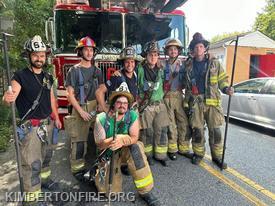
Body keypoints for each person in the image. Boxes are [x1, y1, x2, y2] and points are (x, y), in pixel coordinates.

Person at [3, 35, 62, 206]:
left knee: (46, 158)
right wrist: (7, 98)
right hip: (32, 130)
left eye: (42, 55)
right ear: (29, 55)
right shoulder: (20, 76)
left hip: (48, 125)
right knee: (31, 165)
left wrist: (57, 118)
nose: (39, 58)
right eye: (35, 55)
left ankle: (44, 180)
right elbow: (9, 98)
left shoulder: (48, 77)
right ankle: (32, 199)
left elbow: (51, 100)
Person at [93, 84, 160, 206]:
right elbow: (99, 144)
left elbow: (134, 138)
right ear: (113, 103)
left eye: (125, 103)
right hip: (108, 153)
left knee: (136, 148)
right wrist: (113, 140)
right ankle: (104, 177)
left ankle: (146, 192)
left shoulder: (132, 115)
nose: (122, 105)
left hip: (125, 151)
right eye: (119, 102)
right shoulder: (101, 119)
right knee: (109, 192)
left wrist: (122, 138)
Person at [183, 32, 234, 169]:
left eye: (201, 46)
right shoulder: (188, 65)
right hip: (196, 103)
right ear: (193, 50)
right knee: (197, 131)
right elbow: (184, 84)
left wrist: (226, 89)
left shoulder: (215, 63)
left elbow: (222, 79)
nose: (198, 49)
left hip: (212, 104)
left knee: (216, 131)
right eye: (196, 47)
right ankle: (199, 154)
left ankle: (217, 157)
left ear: (205, 48)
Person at [64, 36, 104, 180]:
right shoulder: (73, 71)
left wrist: (101, 104)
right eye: (86, 50)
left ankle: (102, 163)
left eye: (91, 50)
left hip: (95, 106)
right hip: (80, 106)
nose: (89, 53)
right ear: (80, 52)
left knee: (102, 136)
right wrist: (80, 112)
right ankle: (77, 168)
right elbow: (69, 94)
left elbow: (101, 90)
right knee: (79, 141)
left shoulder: (98, 71)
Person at [137, 41, 169, 166]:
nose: (153, 57)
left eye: (156, 54)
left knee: (162, 130)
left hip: (160, 104)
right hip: (146, 105)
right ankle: (148, 155)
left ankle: (161, 155)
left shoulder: (161, 68)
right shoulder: (139, 69)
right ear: (146, 55)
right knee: (147, 132)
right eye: (150, 54)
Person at [162, 38, 192, 161]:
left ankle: (184, 149)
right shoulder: (163, 65)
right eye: (170, 49)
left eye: (175, 49)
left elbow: (188, 79)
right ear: (167, 51)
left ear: (178, 51)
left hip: (179, 96)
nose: (173, 51)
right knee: (171, 125)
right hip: (167, 97)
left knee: (183, 123)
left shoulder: (184, 65)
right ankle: (172, 149)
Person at [96, 46, 139, 113]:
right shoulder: (117, 76)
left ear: (135, 63)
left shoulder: (135, 74)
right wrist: (105, 109)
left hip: (131, 112)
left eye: (132, 61)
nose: (130, 65)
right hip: (120, 114)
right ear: (123, 63)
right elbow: (99, 92)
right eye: (127, 62)